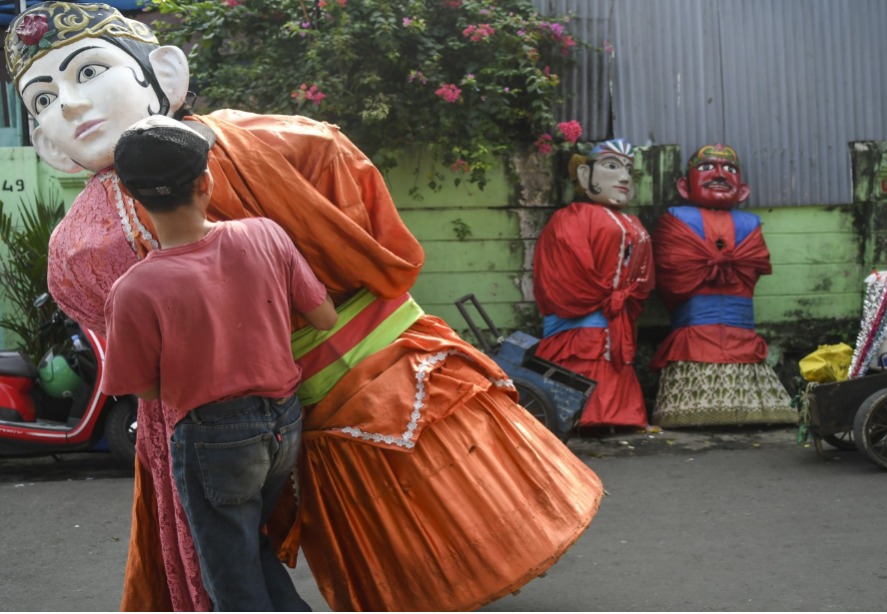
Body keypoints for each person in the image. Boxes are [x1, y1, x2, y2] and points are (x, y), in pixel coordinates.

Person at [6, 3, 604, 611]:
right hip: (291, 411)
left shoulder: (104, 251)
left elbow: (138, 381)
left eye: (88, 72)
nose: (72, 105)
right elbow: (356, 274)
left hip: (220, 426)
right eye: (43, 100)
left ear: (165, 72)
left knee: (233, 560)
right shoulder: (260, 214)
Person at [102, 116, 338, 611]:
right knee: (251, 548)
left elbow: (144, 391)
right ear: (206, 183)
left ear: (131, 197)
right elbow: (324, 316)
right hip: (284, 423)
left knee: (232, 584)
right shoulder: (266, 235)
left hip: (213, 439)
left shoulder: (134, 289)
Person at [649, 144, 797, 427]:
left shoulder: (749, 222)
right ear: (684, 186)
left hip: (739, 318)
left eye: (730, 169)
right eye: (706, 168)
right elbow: (670, 273)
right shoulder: (677, 219)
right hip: (694, 323)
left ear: (742, 190)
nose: (720, 174)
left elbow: (754, 267)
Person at [532, 139, 654, 431]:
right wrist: (605, 297)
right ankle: (588, 415)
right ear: (585, 175)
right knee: (588, 348)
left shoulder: (631, 221)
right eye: (612, 166)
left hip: (616, 317)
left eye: (628, 169)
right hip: (583, 321)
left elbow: (643, 278)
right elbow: (565, 277)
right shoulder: (569, 218)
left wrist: (623, 295)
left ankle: (617, 415)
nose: (624, 177)